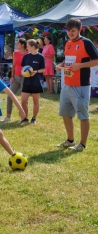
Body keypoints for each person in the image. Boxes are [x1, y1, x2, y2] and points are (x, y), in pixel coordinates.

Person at [56, 18, 98, 151]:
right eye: (68, 31)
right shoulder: (67, 43)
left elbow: (96, 60)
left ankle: (82, 144)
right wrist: (61, 65)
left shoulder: (86, 43)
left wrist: (81, 66)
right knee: (65, 113)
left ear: (79, 30)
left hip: (81, 85)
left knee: (83, 115)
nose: (70, 33)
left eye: (73, 31)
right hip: (67, 85)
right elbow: (68, 60)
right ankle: (70, 140)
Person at [19, 39, 45, 124]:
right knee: (23, 101)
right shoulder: (26, 56)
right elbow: (23, 68)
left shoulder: (40, 57)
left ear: (33, 47)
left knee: (35, 101)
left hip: (36, 82)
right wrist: (23, 73)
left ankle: (34, 118)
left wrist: (36, 72)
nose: (26, 47)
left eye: (28, 46)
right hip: (27, 81)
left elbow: (43, 69)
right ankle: (25, 117)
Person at [2, 38, 27, 122]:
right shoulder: (15, 53)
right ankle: (8, 117)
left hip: (25, 78)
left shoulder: (28, 53)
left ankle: (24, 118)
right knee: (9, 96)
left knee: (24, 99)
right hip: (16, 77)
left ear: (22, 45)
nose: (16, 44)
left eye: (18, 43)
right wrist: (12, 76)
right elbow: (14, 65)